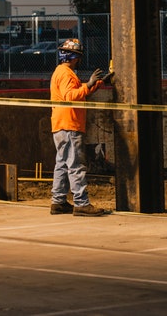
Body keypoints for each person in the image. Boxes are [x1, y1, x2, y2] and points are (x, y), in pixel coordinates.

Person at [49, 38, 106, 216]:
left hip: (61, 124)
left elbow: (78, 90)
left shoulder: (62, 71)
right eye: (79, 57)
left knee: (62, 164)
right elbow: (70, 95)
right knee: (75, 165)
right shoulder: (66, 73)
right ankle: (81, 203)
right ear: (74, 57)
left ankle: (58, 202)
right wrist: (89, 84)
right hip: (69, 125)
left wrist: (98, 83)